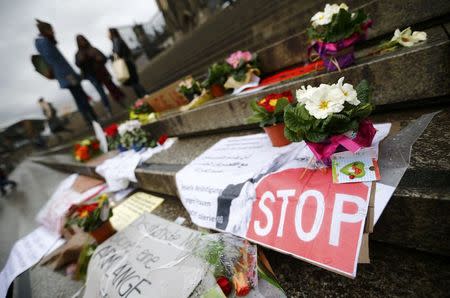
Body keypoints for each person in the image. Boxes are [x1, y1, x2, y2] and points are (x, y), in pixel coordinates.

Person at [34, 19, 98, 127]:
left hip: (63, 75)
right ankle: (92, 119)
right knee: (81, 97)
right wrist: (73, 75)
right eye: (51, 29)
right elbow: (55, 61)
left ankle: (90, 119)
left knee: (79, 97)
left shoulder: (41, 42)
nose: (53, 31)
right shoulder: (44, 42)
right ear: (46, 30)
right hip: (67, 75)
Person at [75, 35, 126, 116]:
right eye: (80, 40)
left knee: (112, 88)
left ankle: (122, 104)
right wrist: (83, 59)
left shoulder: (93, 49)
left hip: (102, 72)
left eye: (83, 40)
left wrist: (96, 58)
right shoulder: (79, 54)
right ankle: (108, 110)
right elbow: (78, 63)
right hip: (92, 76)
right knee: (102, 93)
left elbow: (104, 58)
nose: (82, 42)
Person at [109, 28, 147, 98]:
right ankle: (142, 96)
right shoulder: (118, 39)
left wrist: (112, 57)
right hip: (128, 61)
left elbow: (117, 53)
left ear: (111, 34)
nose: (108, 36)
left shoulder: (116, 41)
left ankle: (144, 95)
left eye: (108, 34)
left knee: (133, 82)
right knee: (134, 81)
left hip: (125, 63)